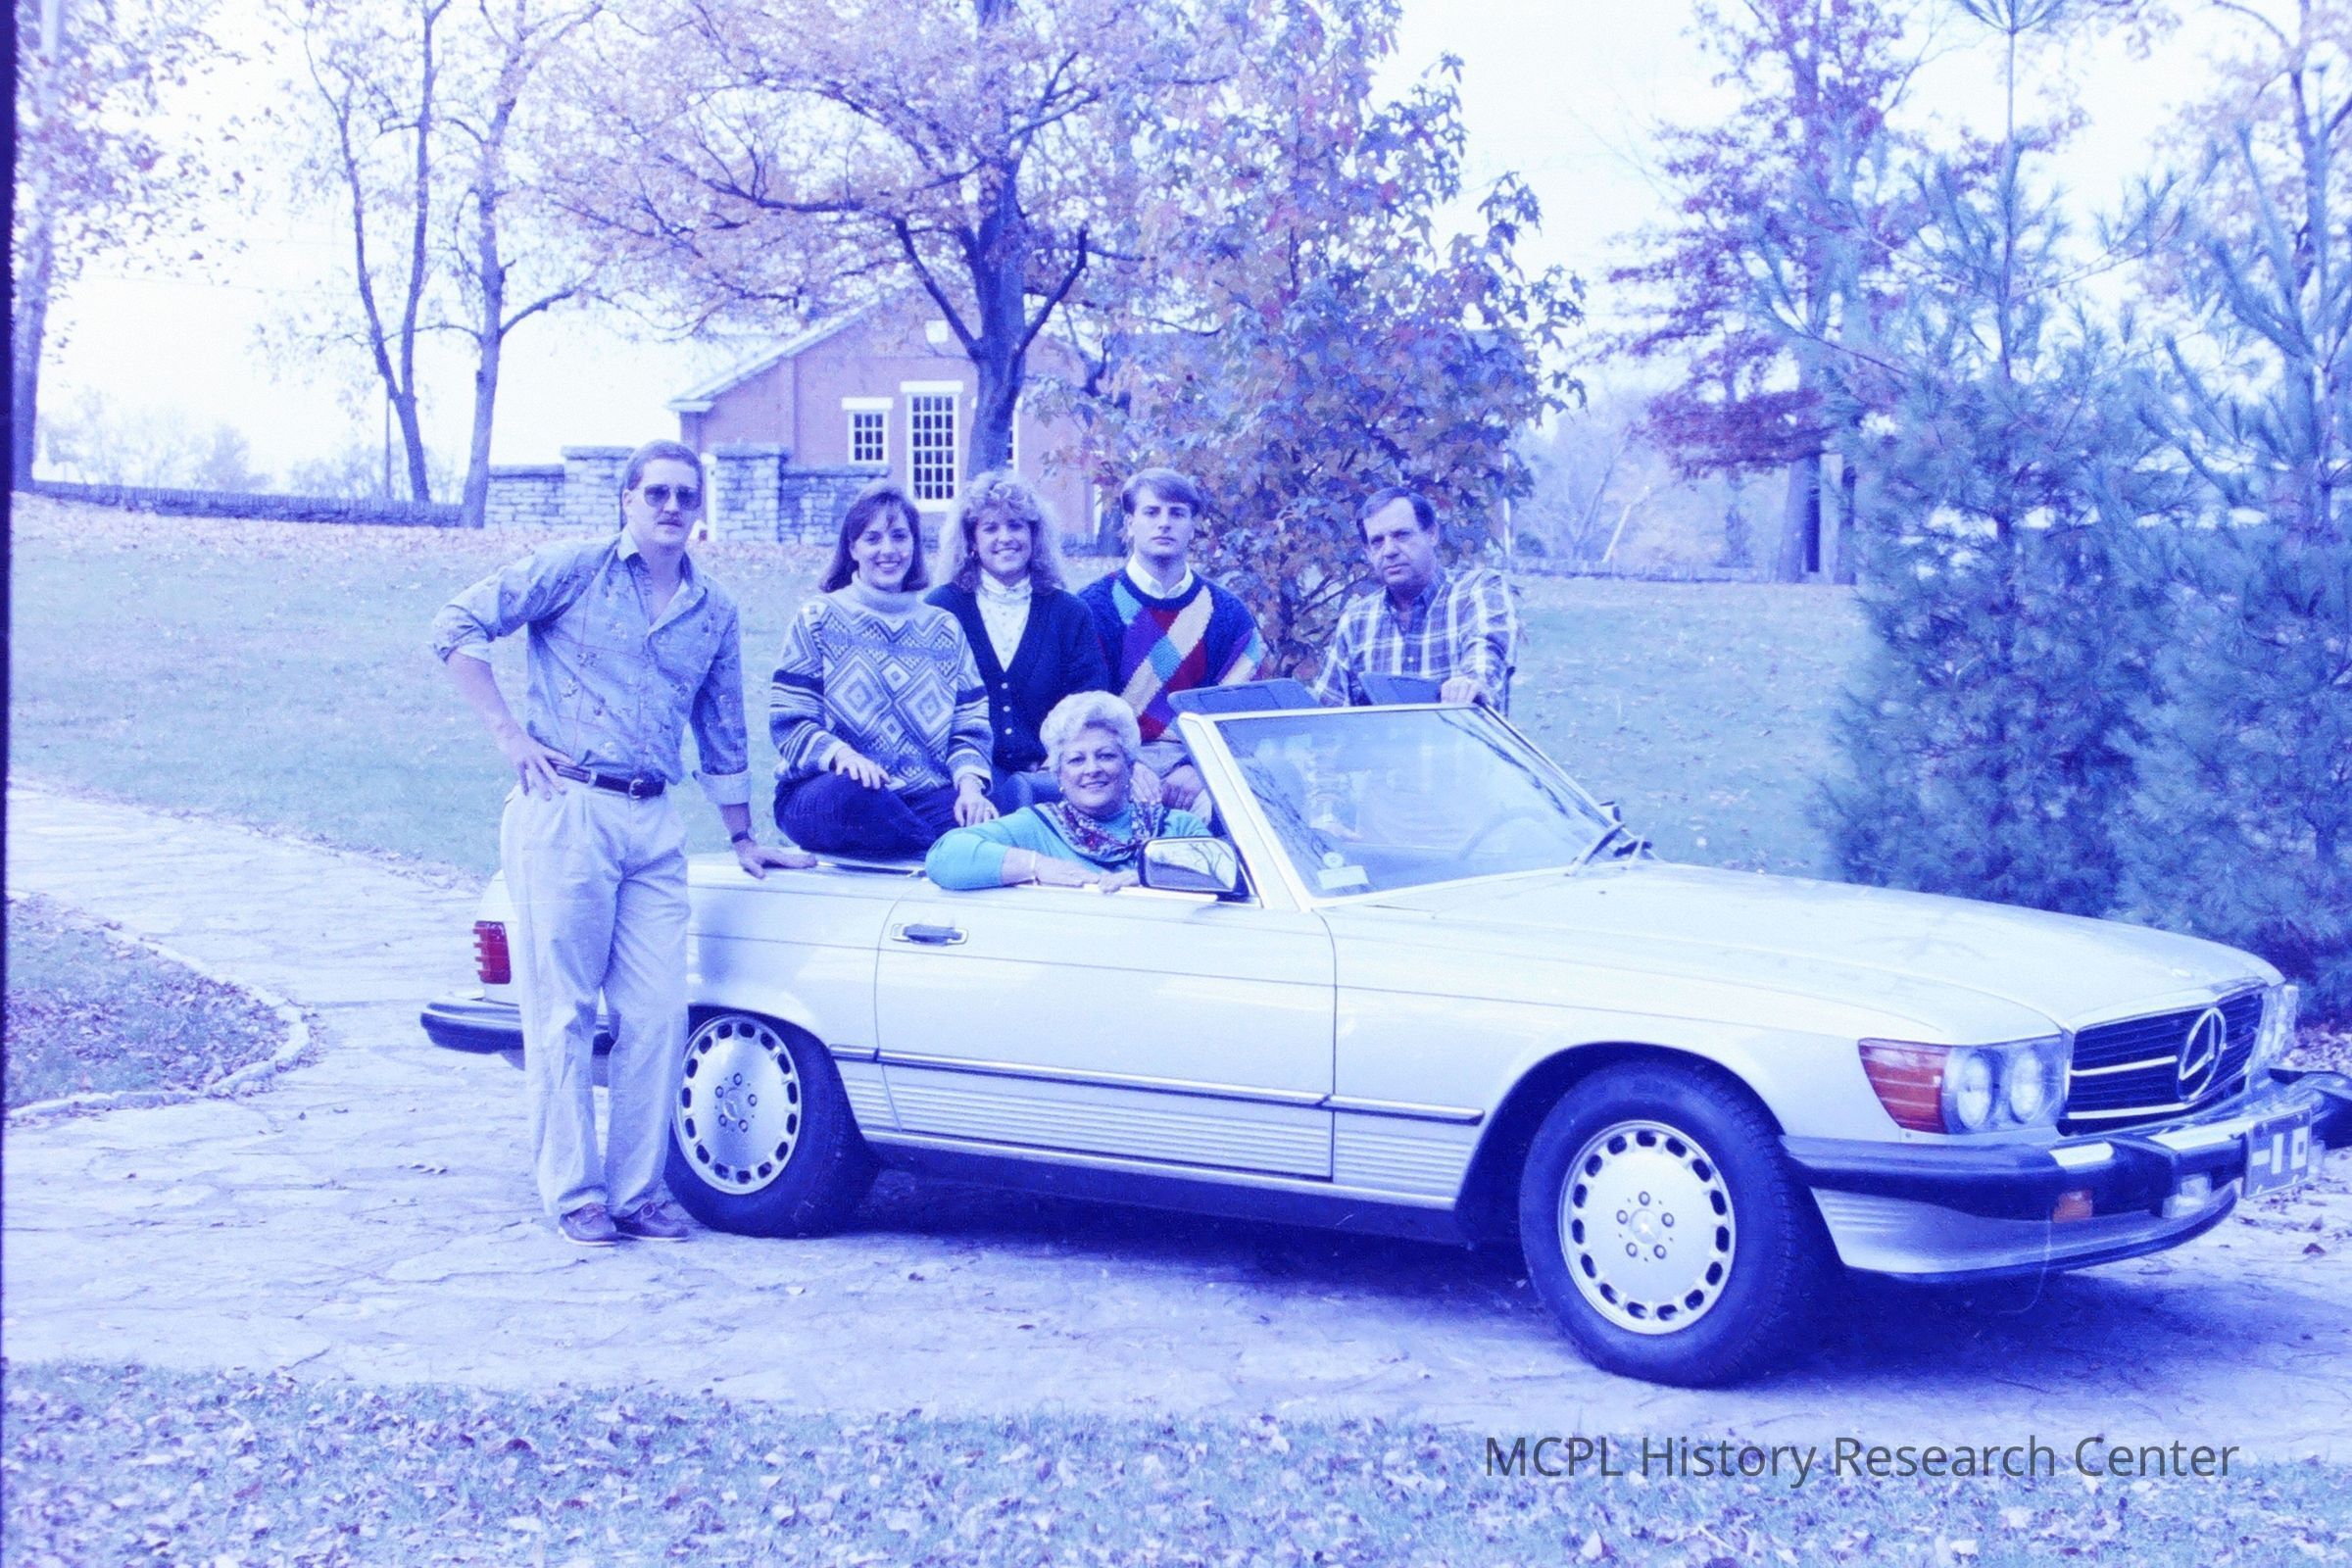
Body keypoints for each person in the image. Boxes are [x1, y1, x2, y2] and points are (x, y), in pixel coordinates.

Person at [430, 438, 808, 1250]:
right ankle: (575, 1193)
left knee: (658, 1012)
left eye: (685, 495)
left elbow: (722, 725)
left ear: (700, 508)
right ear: (628, 499)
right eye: (657, 493)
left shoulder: (713, 610)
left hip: (653, 819)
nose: (672, 507)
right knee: (563, 1011)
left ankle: (638, 1192)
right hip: (565, 808)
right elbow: (456, 626)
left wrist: (743, 835)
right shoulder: (574, 570)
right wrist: (508, 735)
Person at [770, 479, 997, 857]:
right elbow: (790, 721)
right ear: (852, 548)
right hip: (827, 792)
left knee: (984, 817)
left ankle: (945, 845)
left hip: (919, 797)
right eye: (872, 538)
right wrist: (846, 758)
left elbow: (969, 726)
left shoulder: (944, 628)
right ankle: (942, 850)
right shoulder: (818, 618)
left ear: (914, 545)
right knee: (859, 799)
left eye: (899, 536)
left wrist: (970, 788)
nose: (888, 550)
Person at [1077, 466, 1267, 810]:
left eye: (1177, 514)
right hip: (1111, 763)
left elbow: (1242, 713)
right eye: (1152, 512)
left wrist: (1201, 767)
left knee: (1231, 812)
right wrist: (1124, 765)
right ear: (1129, 523)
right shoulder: (1090, 608)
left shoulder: (1227, 613)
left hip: (1202, 764)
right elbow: (1080, 710)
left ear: (1192, 527)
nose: (1164, 523)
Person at [924, 470, 1110, 811]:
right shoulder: (942, 609)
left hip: (1050, 776)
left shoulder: (1069, 612)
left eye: (1016, 526)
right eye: (990, 528)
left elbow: (1088, 700)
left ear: (1033, 536)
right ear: (971, 541)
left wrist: (1057, 760)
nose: (1005, 537)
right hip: (963, 781)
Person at [926, 691, 1212, 890]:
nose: (1092, 769)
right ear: (1058, 774)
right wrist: (1037, 865)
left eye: (1106, 756)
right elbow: (944, 857)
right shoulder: (1036, 827)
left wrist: (1151, 875)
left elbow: (1220, 869)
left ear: (1129, 765)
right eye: (1076, 760)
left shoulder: (1178, 826)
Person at [1308, 486, 1519, 712]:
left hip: (1458, 735)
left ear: (1432, 534)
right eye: (1377, 541)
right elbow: (1325, 716)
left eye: (1401, 535)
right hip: (1384, 738)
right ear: (1368, 552)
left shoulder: (1477, 590)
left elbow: (1485, 658)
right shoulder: (1355, 622)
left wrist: (1470, 684)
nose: (1389, 550)